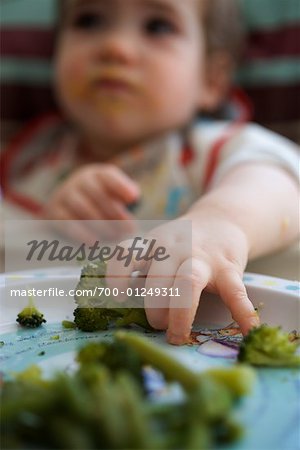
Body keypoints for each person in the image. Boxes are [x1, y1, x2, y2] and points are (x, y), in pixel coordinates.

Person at [1, 0, 299, 344]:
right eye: (89, 20)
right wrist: (46, 226)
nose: (115, 47)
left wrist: (220, 222)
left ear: (211, 79)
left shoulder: (212, 149)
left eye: (157, 26)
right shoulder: (34, 165)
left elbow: (281, 178)